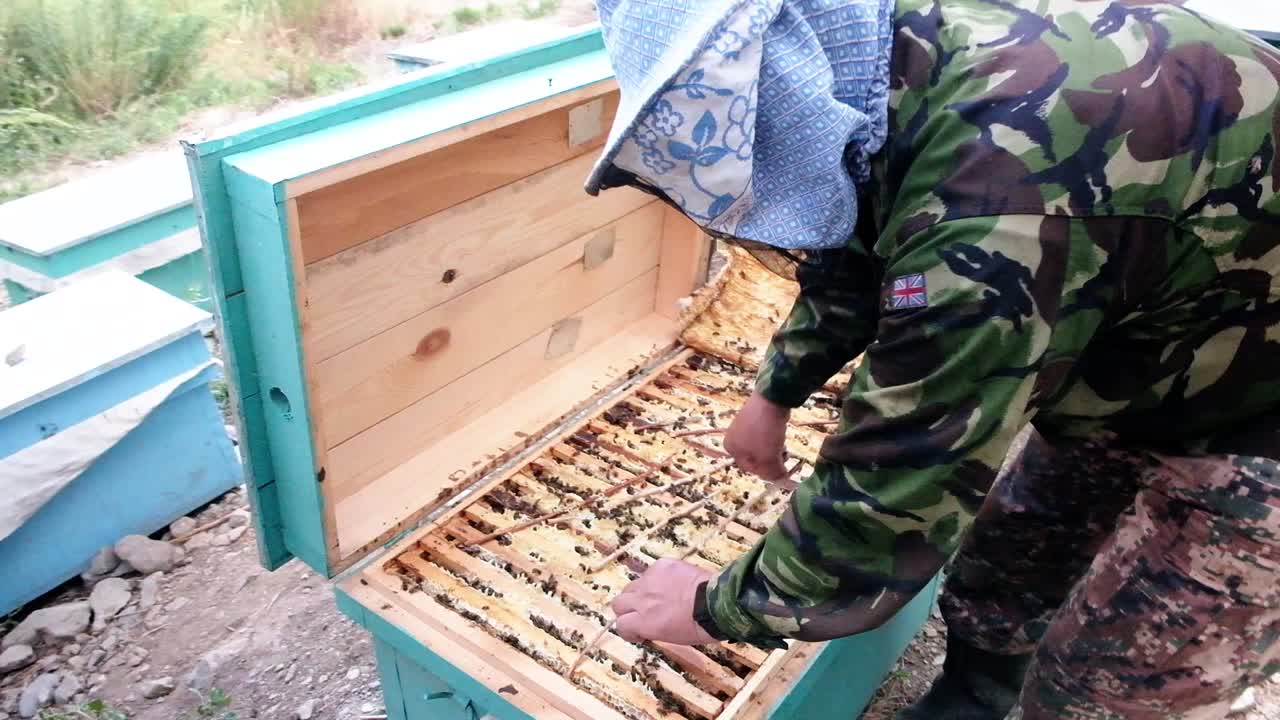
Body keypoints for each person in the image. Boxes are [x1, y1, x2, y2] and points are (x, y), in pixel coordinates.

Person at [585, 0, 1280, 717]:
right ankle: (973, 699)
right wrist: (776, 390)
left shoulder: (994, 213)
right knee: (1006, 561)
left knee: (1110, 687)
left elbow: (901, 477)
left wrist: (714, 607)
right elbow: (861, 222)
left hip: (1260, 403)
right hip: (1165, 317)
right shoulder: (892, 58)